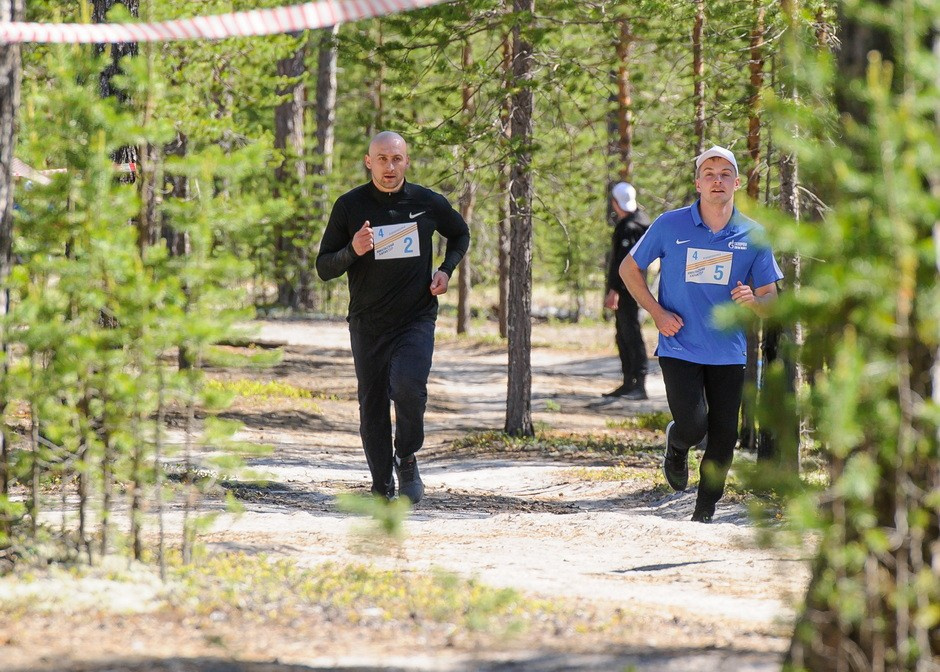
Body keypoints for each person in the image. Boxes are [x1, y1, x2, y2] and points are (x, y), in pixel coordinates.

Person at [619, 145, 783, 523]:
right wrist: (657, 312)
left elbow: (771, 298)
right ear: (697, 183)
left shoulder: (753, 234)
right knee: (694, 425)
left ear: (737, 183)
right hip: (679, 343)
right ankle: (676, 444)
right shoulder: (669, 224)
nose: (717, 180)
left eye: (725, 173)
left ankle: (703, 514)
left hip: (729, 350)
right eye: (709, 173)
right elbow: (630, 269)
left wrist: (753, 301)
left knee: (724, 439)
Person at [315, 131, 471, 504]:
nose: (389, 167)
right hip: (368, 324)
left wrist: (446, 270)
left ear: (407, 161)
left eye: (396, 159)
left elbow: (460, 233)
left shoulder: (426, 202)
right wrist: (352, 249)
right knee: (372, 407)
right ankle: (381, 484)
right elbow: (324, 267)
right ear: (369, 162)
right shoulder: (349, 206)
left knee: (408, 388)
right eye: (382, 159)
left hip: (415, 319)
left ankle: (407, 455)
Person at [603, 181, 651, 400]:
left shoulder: (629, 227)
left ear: (615, 202)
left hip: (628, 290)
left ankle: (638, 383)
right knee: (624, 333)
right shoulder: (642, 222)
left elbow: (625, 263)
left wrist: (615, 289)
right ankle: (629, 381)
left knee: (630, 334)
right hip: (634, 288)